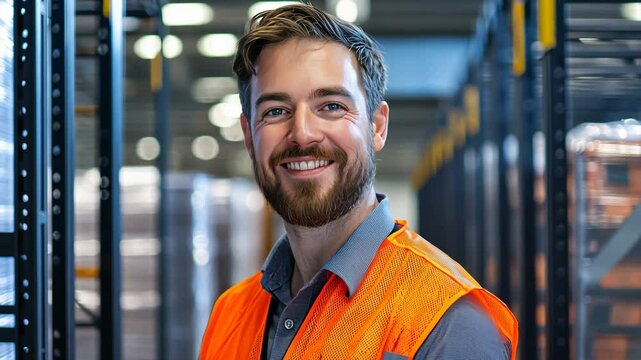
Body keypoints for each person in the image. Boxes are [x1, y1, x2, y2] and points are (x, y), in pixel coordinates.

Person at [200, 3, 518, 359]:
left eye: (332, 106)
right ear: (249, 135)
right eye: (276, 111)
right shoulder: (230, 314)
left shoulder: (446, 322)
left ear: (377, 126)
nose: (302, 134)